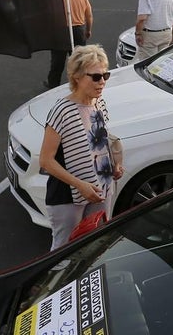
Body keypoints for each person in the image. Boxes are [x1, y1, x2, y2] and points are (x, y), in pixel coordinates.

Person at [38, 44, 123, 250]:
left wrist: (114, 164)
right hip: (68, 195)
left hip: (101, 186)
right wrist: (79, 185)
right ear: (76, 76)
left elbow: (99, 142)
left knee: (95, 245)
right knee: (64, 250)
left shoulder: (98, 102)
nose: (102, 81)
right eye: (95, 76)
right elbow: (46, 161)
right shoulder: (61, 111)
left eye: (105, 75)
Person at [45, 0, 94, 88]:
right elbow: (89, 16)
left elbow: (49, 15)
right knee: (79, 60)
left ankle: (53, 85)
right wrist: (88, 30)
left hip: (60, 31)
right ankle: (80, 84)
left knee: (57, 60)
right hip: (78, 30)